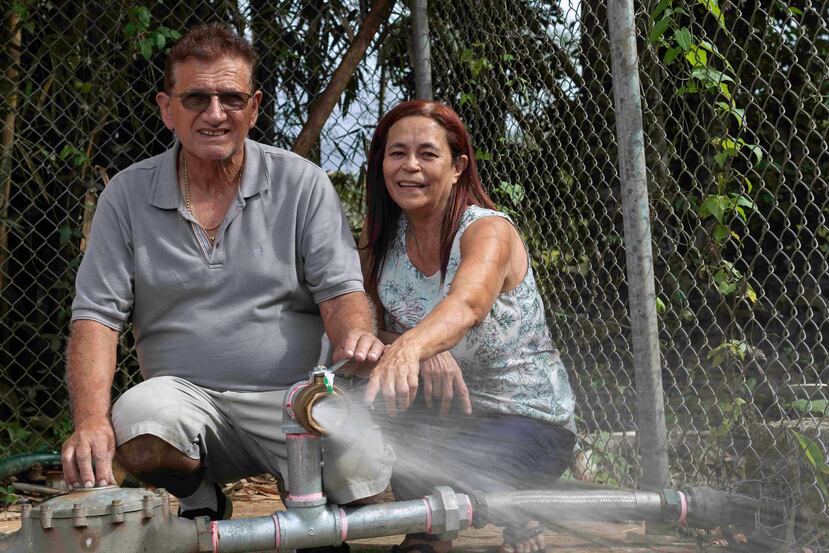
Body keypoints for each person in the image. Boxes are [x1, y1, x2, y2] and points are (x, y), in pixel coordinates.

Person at [60, 24, 394, 523]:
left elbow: (340, 291)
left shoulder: (302, 183)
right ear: (167, 108)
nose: (215, 114)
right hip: (186, 405)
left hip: (295, 398)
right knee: (137, 425)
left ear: (254, 108)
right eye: (196, 97)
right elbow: (95, 319)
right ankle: (201, 501)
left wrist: (354, 338)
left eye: (231, 98)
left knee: (363, 474)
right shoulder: (126, 196)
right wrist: (89, 421)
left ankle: (314, 506)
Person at [358, 100, 577, 553]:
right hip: (445, 413)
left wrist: (412, 347)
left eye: (427, 154)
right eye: (397, 153)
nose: (410, 166)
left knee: (455, 468)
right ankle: (428, 537)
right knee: (399, 433)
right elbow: (367, 326)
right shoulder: (379, 243)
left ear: (457, 166)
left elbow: (468, 303)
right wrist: (414, 346)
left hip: (526, 417)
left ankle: (518, 510)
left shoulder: (488, 230)